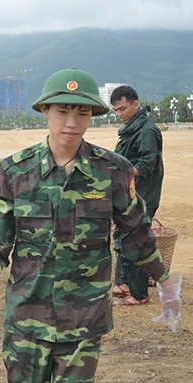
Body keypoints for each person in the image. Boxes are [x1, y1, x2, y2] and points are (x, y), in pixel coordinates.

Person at [0, 67, 182, 383]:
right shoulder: (13, 172)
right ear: (45, 111)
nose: (72, 122)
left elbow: (135, 232)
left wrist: (164, 282)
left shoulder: (113, 171)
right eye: (62, 111)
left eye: (83, 112)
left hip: (84, 319)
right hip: (27, 318)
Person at [110, 85, 165, 306]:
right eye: (115, 110)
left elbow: (146, 165)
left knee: (137, 242)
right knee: (122, 237)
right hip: (129, 195)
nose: (119, 114)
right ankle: (123, 283)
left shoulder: (146, 131)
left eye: (123, 108)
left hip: (143, 196)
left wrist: (116, 170)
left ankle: (139, 294)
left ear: (136, 103)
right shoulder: (131, 129)